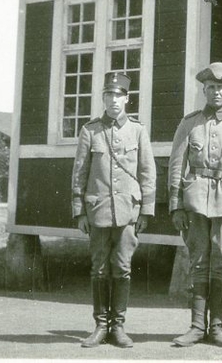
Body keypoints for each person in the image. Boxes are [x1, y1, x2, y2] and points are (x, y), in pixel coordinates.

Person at [168, 62, 222, 348]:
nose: (215, 92)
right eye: (210, 87)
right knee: (198, 263)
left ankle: (217, 327)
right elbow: (177, 165)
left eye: (220, 87)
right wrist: (176, 205)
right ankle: (196, 327)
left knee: (221, 264)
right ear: (204, 90)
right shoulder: (189, 123)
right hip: (194, 203)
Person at [70, 71, 156, 349]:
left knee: (122, 268)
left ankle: (118, 327)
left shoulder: (138, 130)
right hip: (98, 211)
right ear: (103, 98)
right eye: (109, 94)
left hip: (128, 212)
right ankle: (100, 326)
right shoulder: (90, 131)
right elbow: (80, 172)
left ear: (127, 99)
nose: (114, 100)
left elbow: (147, 172)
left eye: (119, 95)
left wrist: (146, 211)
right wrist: (79, 211)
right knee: (99, 269)